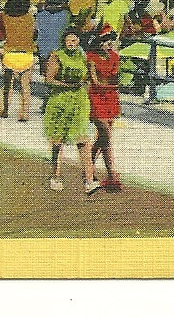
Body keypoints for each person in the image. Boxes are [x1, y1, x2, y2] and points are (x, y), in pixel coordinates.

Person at [43, 29, 100, 195]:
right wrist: (67, 85)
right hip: (59, 102)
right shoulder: (57, 56)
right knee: (57, 142)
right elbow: (49, 79)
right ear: (64, 42)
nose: (71, 44)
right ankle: (56, 175)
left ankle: (89, 180)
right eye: (68, 41)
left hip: (79, 102)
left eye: (74, 41)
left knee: (83, 141)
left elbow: (89, 78)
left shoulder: (84, 57)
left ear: (79, 42)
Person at [87, 25, 123, 191]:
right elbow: (96, 82)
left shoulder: (115, 56)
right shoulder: (91, 57)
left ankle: (89, 166)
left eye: (111, 41)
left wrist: (110, 84)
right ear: (98, 42)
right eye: (105, 41)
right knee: (106, 136)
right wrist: (110, 84)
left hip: (110, 98)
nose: (109, 44)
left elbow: (114, 77)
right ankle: (111, 174)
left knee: (103, 137)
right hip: (96, 97)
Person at [0, 0, 37, 122]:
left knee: (7, 85)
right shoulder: (30, 18)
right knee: (25, 86)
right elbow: (33, 34)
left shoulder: (4, 17)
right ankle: (24, 113)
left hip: (9, 54)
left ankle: (4, 109)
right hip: (26, 55)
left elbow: (2, 34)